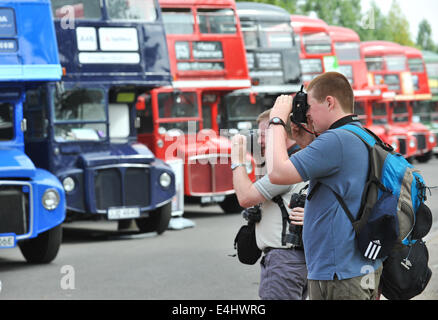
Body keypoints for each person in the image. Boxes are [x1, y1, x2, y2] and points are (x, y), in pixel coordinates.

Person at [266, 72, 383, 300]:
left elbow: (277, 172)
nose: (307, 115)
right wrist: (305, 144)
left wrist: (277, 120)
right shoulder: (361, 135)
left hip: (340, 273)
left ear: (329, 102)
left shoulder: (337, 139)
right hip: (356, 268)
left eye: (309, 107)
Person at [231, 109, 308, 300]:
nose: (259, 141)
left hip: (284, 261)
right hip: (301, 260)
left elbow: (245, 197)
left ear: (281, 131)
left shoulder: (287, 168)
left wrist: (237, 162)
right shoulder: (306, 159)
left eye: (265, 134)